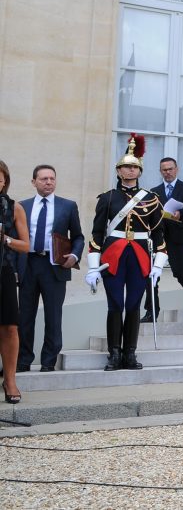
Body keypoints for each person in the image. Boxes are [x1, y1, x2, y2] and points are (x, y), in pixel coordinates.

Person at [85, 135, 167, 371]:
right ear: (118, 170)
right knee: (115, 305)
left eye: (134, 167)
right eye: (125, 167)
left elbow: (159, 235)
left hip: (140, 256)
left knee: (133, 305)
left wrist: (159, 265)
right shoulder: (108, 198)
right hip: (113, 256)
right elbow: (97, 233)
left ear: (139, 171)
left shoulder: (152, 200)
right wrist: (93, 265)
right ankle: (113, 353)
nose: (130, 171)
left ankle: (130, 353)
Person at [17, 164, 84, 374]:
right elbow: (16, 238)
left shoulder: (68, 206)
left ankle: (48, 361)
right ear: (34, 182)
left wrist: (74, 256)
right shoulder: (22, 206)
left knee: (53, 316)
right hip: (28, 265)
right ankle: (23, 360)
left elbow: (79, 237)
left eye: (52, 179)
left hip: (54, 266)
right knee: (24, 316)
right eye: (44, 179)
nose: (48, 182)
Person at [142, 157, 183, 322]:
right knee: (153, 273)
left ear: (176, 169)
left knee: (178, 269)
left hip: (178, 235)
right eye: (164, 170)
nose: (167, 172)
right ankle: (151, 310)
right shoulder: (154, 191)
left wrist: (180, 213)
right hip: (158, 236)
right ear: (160, 171)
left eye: (170, 169)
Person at [0, 160, 30, 403]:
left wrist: (5, 239)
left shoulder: (14, 208)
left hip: (5, 271)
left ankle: (10, 380)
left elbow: (25, 245)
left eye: (0, 179)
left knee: (10, 326)